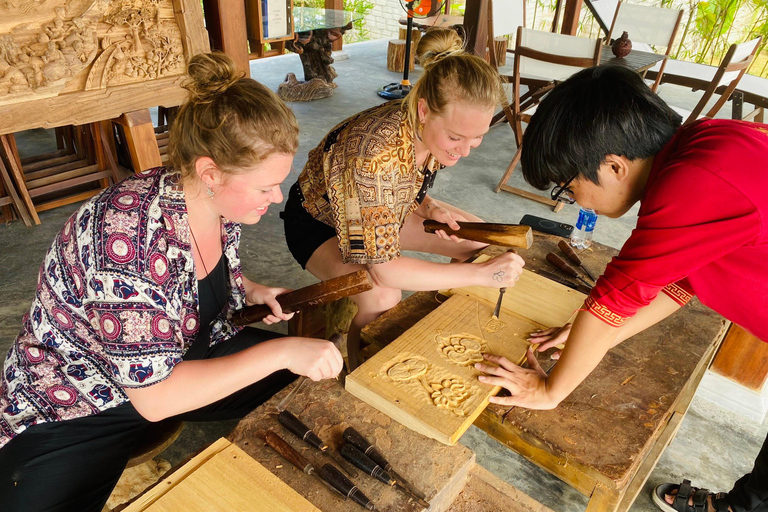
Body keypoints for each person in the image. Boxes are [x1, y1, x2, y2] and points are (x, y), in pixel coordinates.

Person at [0, 52, 343, 512]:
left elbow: (198, 277)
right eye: (265, 187)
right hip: (81, 398)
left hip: (181, 353)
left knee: (303, 383)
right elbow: (157, 397)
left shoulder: (215, 201)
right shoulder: (124, 239)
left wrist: (253, 290)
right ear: (210, 173)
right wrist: (280, 348)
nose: (277, 197)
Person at [475, 64, 768, 512]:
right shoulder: (706, 141)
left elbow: (616, 295)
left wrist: (551, 391)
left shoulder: (693, 183)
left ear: (613, 165)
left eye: (570, 188)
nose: (570, 200)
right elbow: (676, 281)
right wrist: (595, 332)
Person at [282, 28, 525, 369]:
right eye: (457, 137)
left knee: (476, 240)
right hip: (320, 221)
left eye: (478, 137)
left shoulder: (433, 126)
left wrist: (429, 204)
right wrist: (482, 276)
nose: (465, 151)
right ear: (424, 111)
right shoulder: (371, 153)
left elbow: (404, 182)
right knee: (381, 294)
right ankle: (359, 371)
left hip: (377, 209)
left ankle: (443, 328)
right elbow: (384, 270)